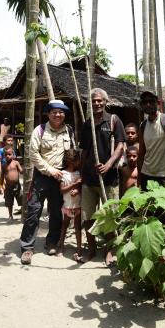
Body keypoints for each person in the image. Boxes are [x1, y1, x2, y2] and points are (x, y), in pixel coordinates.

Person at [20, 99, 74, 265]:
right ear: (48, 113)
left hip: (60, 177)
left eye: (61, 112)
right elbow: (33, 154)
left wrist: (70, 174)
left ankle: (51, 242)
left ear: (64, 114)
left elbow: (72, 153)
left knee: (57, 212)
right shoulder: (40, 130)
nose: (58, 115)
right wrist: (50, 170)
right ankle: (27, 248)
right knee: (34, 211)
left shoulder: (69, 131)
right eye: (54, 112)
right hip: (42, 176)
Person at [80, 88, 126, 265]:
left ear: (106, 102)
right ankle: (91, 250)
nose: (97, 103)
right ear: (90, 104)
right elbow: (84, 151)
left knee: (109, 217)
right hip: (89, 180)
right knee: (88, 216)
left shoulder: (114, 120)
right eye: (94, 101)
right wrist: (81, 174)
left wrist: (108, 164)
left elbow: (121, 145)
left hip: (109, 179)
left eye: (100, 101)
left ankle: (109, 251)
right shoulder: (87, 124)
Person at [137, 90, 165, 190]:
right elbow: (141, 153)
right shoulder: (143, 126)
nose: (148, 104)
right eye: (144, 102)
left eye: (151, 101)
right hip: (146, 174)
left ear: (158, 103)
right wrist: (139, 177)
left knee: (164, 205)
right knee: (147, 205)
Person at [57, 149, 83, 263]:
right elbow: (62, 190)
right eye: (78, 160)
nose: (79, 162)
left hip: (78, 206)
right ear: (72, 161)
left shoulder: (79, 173)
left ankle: (78, 248)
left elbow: (82, 188)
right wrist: (74, 184)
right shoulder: (63, 174)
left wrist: (77, 190)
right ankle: (61, 247)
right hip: (67, 206)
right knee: (64, 226)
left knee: (77, 227)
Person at [0, 146, 22, 222]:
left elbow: (21, 171)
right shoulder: (4, 166)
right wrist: (0, 187)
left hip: (17, 186)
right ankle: (10, 216)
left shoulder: (16, 163)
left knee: (21, 199)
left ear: (13, 154)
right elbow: (2, 177)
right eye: (5, 155)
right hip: (8, 187)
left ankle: (23, 213)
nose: (7, 156)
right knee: (9, 202)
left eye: (9, 154)